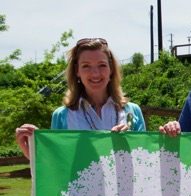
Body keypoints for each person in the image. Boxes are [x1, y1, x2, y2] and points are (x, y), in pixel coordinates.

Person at [15, 38, 146, 159]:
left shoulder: (133, 111)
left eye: (102, 65)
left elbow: (144, 160)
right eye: (86, 66)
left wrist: (166, 136)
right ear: (77, 71)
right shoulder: (62, 116)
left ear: (111, 69)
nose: (95, 73)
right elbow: (59, 163)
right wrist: (30, 151)